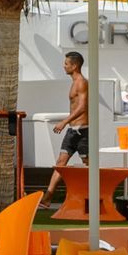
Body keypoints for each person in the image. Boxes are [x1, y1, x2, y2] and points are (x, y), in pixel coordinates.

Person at [46, 49, 90, 203]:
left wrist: (64, 121)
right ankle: (47, 198)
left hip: (84, 133)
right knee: (60, 163)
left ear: (75, 66)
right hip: (72, 132)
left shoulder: (82, 83)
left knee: (89, 165)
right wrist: (68, 124)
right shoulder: (73, 83)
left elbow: (83, 107)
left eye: (66, 64)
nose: (64, 66)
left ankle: (91, 197)